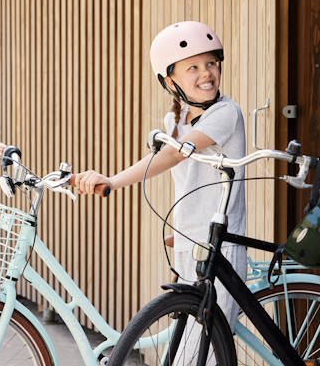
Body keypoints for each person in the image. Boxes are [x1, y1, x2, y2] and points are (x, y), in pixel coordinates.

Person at [74, 20, 247, 359]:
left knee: (204, 353)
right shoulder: (176, 120)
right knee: (183, 349)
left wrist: (112, 181)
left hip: (218, 249)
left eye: (211, 63)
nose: (206, 73)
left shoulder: (226, 114)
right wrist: (181, 227)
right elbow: (185, 177)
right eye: (193, 67)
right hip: (191, 244)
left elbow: (171, 156)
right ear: (170, 81)